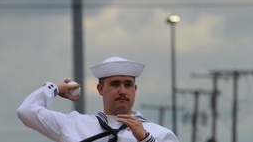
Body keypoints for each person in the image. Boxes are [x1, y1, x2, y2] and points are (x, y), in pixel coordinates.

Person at [17, 57, 179, 142]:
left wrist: (145, 140)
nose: (123, 91)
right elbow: (27, 111)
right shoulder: (74, 124)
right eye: (115, 84)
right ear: (100, 89)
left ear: (135, 89)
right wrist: (55, 87)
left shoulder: (159, 134)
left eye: (128, 85)